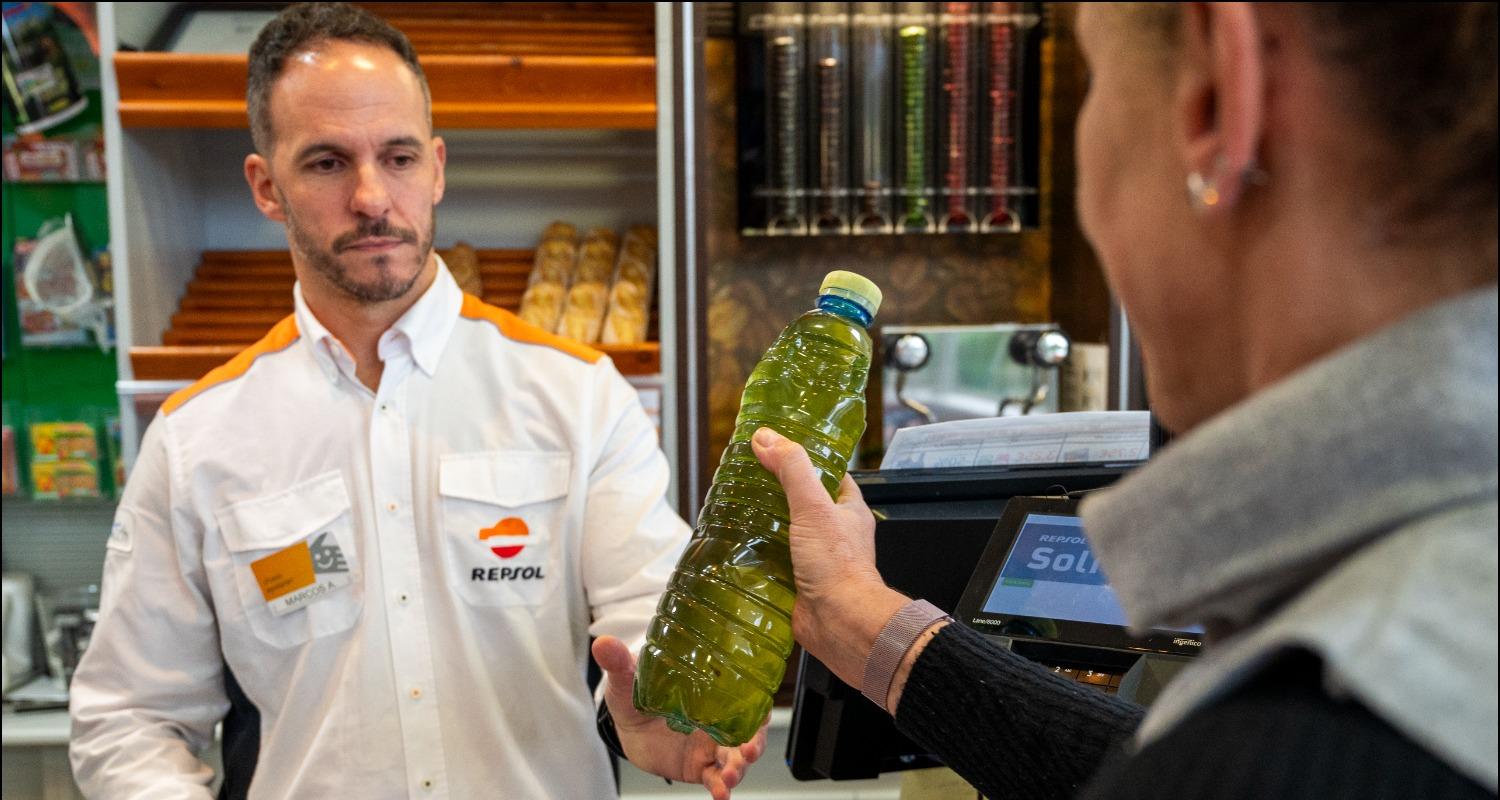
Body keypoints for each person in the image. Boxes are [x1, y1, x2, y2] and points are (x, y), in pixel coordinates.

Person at [753, 3, 1497, 799]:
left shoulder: (1314, 741)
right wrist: (864, 619)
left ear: (1217, 94)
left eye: (1096, 78)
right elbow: (1155, 758)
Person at [68, 4, 764, 798]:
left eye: (397, 157)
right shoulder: (199, 439)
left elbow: (647, 609)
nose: (372, 197)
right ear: (267, 186)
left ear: (435, 168)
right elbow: (129, 717)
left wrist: (665, 710)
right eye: (327, 163)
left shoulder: (576, 395)